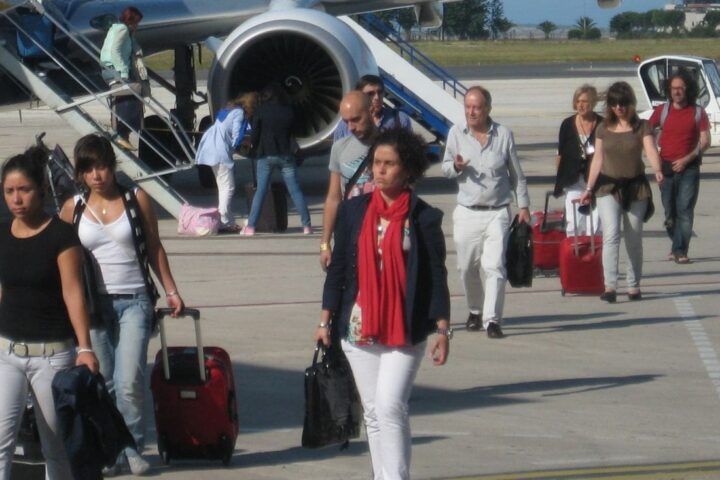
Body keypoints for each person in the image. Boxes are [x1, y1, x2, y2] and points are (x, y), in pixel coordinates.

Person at [316, 128, 450, 480]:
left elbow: (436, 275)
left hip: (404, 326)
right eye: (376, 163)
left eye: (389, 164)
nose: (380, 170)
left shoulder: (423, 217)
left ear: (408, 170)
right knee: (374, 412)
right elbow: (338, 268)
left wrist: (442, 328)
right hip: (359, 325)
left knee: (391, 406)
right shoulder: (353, 211)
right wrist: (325, 320)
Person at [59, 134, 184, 476]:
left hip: (135, 300)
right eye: (88, 169)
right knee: (104, 383)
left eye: (101, 167)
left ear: (113, 166)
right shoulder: (73, 208)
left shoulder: (135, 198)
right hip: (92, 306)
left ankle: (132, 447)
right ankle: (112, 451)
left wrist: (171, 290)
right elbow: (60, 257)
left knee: (128, 380)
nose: (96, 175)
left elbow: (154, 246)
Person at [0, 147, 99, 480]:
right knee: (1, 442)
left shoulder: (61, 234)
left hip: (52, 357)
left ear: (41, 189)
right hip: (6, 354)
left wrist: (85, 347)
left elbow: (73, 293)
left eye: (24, 190)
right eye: (9, 191)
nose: (16, 199)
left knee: (55, 446)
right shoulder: (2, 234)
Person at [441, 86, 530, 339]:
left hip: (497, 211)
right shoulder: (456, 133)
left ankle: (492, 320)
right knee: (466, 267)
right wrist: (456, 166)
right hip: (467, 211)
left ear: (488, 109)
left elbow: (517, 175)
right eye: (468, 107)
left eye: (477, 107)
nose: (471, 112)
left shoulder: (503, 135)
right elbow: (445, 167)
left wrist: (523, 206)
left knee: (494, 266)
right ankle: (475, 310)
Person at [579, 81, 664, 303]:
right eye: (614, 103)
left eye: (623, 103)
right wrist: (589, 188)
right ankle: (610, 286)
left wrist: (658, 170)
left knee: (634, 237)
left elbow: (650, 150)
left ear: (631, 103)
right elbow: (597, 160)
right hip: (607, 188)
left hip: (636, 188)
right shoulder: (603, 128)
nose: (619, 108)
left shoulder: (642, 126)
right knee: (611, 235)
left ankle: (633, 285)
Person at [648, 69, 710, 264]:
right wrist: (655, 162)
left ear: (688, 89)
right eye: (673, 88)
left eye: (680, 88)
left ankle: (680, 250)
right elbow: (646, 132)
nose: (676, 92)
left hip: (689, 168)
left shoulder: (698, 112)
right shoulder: (662, 111)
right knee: (669, 212)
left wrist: (687, 159)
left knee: (685, 209)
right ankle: (676, 244)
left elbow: (705, 141)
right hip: (666, 167)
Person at [319, 91, 379, 270]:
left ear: (371, 110)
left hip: (381, 233)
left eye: (356, 119)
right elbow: (333, 198)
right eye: (346, 122)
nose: (351, 127)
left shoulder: (391, 144)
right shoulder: (339, 148)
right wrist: (325, 244)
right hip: (350, 232)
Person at [242, 83, 311, 236]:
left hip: (265, 154)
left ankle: (251, 226)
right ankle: (306, 225)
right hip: (285, 154)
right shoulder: (288, 110)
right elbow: (295, 131)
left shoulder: (261, 111)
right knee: (295, 190)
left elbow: (255, 134)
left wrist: (253, 146)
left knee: (261, 191)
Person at [196, 92, 258, 233]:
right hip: (220, 150)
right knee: (228, 188)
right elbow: (236, 133)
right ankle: (223, 219)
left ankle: (227, 219)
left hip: (211, 147)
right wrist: (243, 143)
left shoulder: (229, 110)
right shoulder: (239, 113)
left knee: (223, 186)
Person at [553, 84, 603, 235]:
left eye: (585, 101)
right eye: (578, 101)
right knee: (573, 225)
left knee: (594, 227)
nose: (580, 105)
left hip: (597, 183)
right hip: (573, 182)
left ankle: (594, 251)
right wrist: (560, 181)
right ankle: (574, 250)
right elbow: (560, 154)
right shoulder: (567, 124)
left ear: (593, 103)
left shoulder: (603, 124)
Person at [100, 6, 145, 151]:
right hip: (114, 70)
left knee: (127, 97)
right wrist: (124, 73)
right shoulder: (122, 30)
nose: (137, 25)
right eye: (136, 22)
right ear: (131, 21)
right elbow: (115, 51)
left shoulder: (119, 29)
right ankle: (121, 133)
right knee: (132, 95)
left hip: (110, 69)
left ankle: (123, 134)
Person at [333, 74, 412, 142]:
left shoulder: (400, 119)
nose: (377, 97)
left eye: (380, 92)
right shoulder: (345, 126)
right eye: (370, 93)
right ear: (360, 96)